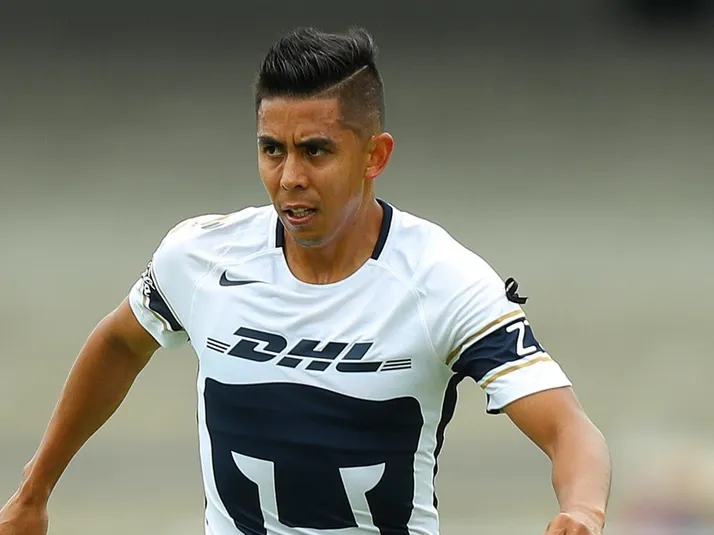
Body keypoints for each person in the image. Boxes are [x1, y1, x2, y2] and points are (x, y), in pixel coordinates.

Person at [0, 26, 611, 535]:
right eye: (272, 149)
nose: (290, 176)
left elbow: (569, 428)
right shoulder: (201, 257)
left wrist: (582, 511)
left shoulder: (444, 282)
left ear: (375, 156)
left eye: (316, 151)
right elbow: (119, 343)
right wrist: (34, 491)